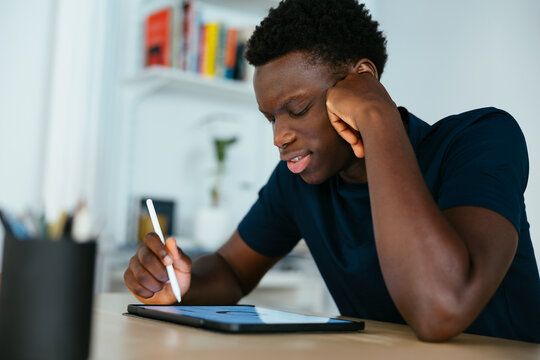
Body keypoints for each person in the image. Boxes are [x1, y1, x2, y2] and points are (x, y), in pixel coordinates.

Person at [124, 0, 540, 343]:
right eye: (271, 118)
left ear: (362, 80)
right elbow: (232, 270)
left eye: (298, 109)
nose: (280, 137)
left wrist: (377, 116)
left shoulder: (480, 141)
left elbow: (441, 310)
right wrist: (181, 285)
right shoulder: (299, 183)